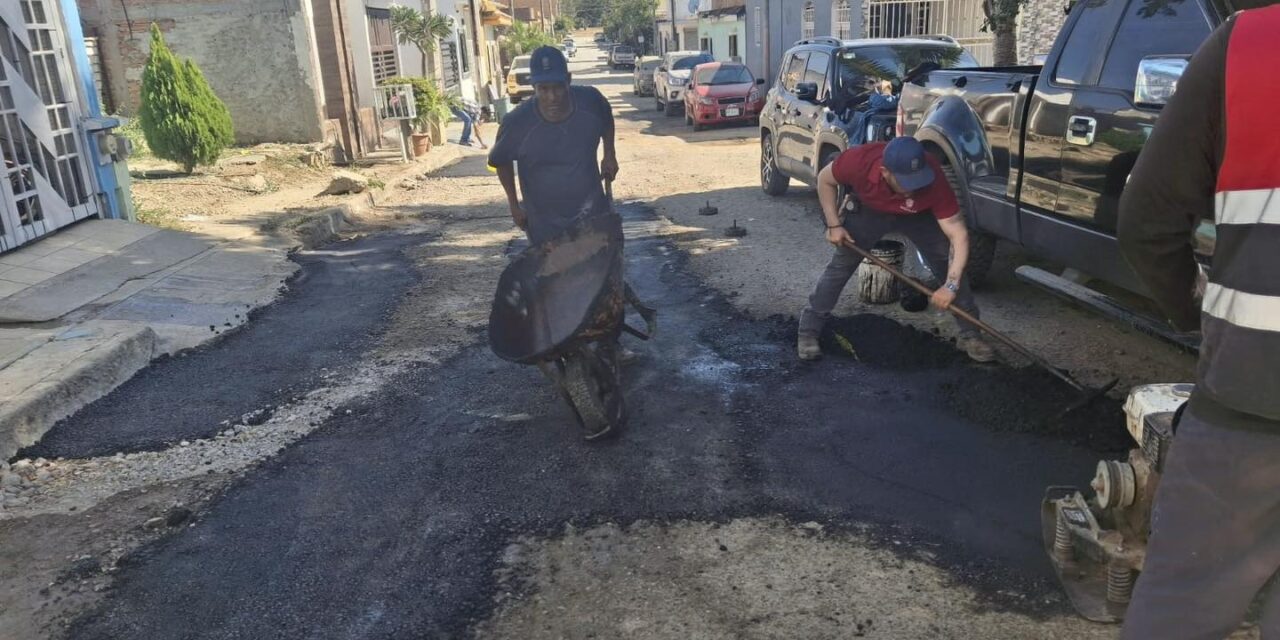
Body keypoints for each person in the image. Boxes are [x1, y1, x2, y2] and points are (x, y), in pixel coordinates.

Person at [1116, 3, 1280, 638]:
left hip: (1253, 396)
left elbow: (1146, 222)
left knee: (1183, 607)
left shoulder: (1252, 43)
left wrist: (1193, 314)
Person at [798, 136, 995, 363]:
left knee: (946, 262)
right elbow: (825, 179)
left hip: (918, 215)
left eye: (917, 180)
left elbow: (958, 234)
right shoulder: (858, 162)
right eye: (906, 182)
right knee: (840, 267)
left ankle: (971, 335)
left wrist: (951, 285)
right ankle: (808, 331)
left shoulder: (933, 177)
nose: (913, 188)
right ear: (885, 172)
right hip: (870, 210)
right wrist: (834, 225)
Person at [488, 46, 619, 245]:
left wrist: (609, 153)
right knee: (555, 265)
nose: (552, 97)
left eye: (558, 87)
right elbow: (500, 161)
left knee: (600, 261)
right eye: (543, 89)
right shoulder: (517, 122)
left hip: (592, 214)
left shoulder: (590, 101)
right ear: (534, 87)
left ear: (568, 80)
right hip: (544, 224)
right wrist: (514, 204)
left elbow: (606, 117)